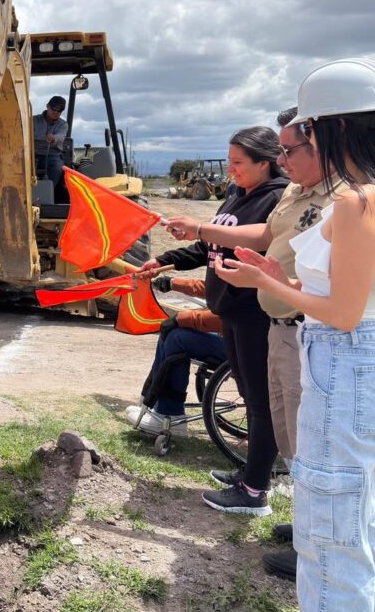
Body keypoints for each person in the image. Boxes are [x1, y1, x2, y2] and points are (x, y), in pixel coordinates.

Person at [215, 58, 375, 611]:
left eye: (307, 130)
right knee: (347, 506)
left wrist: (267, 282)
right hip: (351, 361)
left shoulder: (354, 202)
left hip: (340, 361)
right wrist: (282, 280)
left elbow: (344, 314)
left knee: (332, 521)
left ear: (336, 127)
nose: (292, 150)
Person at [163, 106, 346, 580]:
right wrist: (200, 230)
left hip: (306, 328)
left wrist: (267, 281)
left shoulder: (347, 200)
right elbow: (266, 235)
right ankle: (309, 524)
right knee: (290, 433)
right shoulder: (294, 192)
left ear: (323, 144)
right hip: (281, 324)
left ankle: (323, 549)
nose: (283, 160)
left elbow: (341, 299)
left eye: (289, 151)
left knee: (313, 437)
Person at [139, 126, 288, 516]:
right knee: (250, 397)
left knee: (261, 402)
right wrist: (163, 260)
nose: (231, 169)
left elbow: (256, 241)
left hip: (256, 314)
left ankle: (254, 491)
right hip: (231, 314)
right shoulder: (238, 194)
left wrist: (200, 227)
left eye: (238, 162)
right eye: (229, 160)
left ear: (264, 163)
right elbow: (209, 246)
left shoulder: (277, 199)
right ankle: (250, 475)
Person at [125, 277, 225, 435]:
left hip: (248, 345)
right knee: (169, 331)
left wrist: (181, 319)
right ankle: (151, 402)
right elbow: (217, 289)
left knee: (177, 338)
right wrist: (172, 283)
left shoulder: (253, 267)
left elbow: (234, 314)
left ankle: (170, 413)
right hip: (234, 336)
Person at [34, 96, 68, 187]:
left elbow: (61, 136)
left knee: (57, 167)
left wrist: (54, 138)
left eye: (59, 110)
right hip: (32, 155)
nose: (55, 112)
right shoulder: (33, 120)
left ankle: (49, 191)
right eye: (54, 109)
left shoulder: (63, 124)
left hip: (52, 156)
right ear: (47, 106)